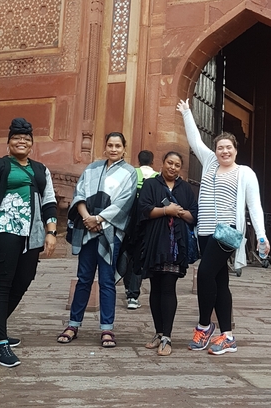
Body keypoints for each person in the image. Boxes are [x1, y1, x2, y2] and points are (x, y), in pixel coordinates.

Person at [177, 99, 269, 356]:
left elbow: (255, 206)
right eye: (220, 148)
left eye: (228, 147)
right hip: (205, 232)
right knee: (219, 280)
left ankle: (204, 325)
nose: (224, 152)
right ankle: (227, 336)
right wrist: (186, 113)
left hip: (227, 232)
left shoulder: (245, 173)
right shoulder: (209, 163)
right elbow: (195, 141)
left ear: (235, 150)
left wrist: (261, 236)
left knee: (205, 274)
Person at [0, 118, 58, 367]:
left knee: (23, 280)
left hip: (31, 234)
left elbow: (49, 201)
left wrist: (51, 232)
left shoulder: (41, 170)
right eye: (17, 138)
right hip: (3, 229)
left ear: (32, 144)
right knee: (3, 282)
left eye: (27, 139)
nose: (22, 142)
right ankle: (0, 344)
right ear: (8, 142)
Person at [57, 132, 137, 348]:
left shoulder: (129, 173)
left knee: (107, 281)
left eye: (117, 145)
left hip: (110, 233)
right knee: (84, 278)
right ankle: (73, 324)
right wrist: (86, 217)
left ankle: (107, 328)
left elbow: (125, 202)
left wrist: (100, 219)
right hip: (87, 230)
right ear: (105, 147)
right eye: (110, 145)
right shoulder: (92, 168)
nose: (113, 149)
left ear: (124, 148)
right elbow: (79, 193)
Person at [139, 151, 198, 356]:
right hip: (156, 243)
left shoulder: (186, 188)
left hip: (176, 246)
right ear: (162, 163)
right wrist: (166, 211)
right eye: (169, 163)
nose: (172, 167)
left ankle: (167, 336)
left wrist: (178, 212)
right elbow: (144, 209)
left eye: (176, 165)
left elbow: (193, 215)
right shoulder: (151, 185)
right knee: (155, 287)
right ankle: (158, 332)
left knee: (168, 287)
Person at [124, 150, 158, 310]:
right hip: (147, 221)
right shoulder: (157, 177)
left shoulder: (132, 172)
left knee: (127, 253)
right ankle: (133, 295)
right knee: (139, 256)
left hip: (130, 220)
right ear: (152, 161)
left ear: (138, 160)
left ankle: (126, 285)